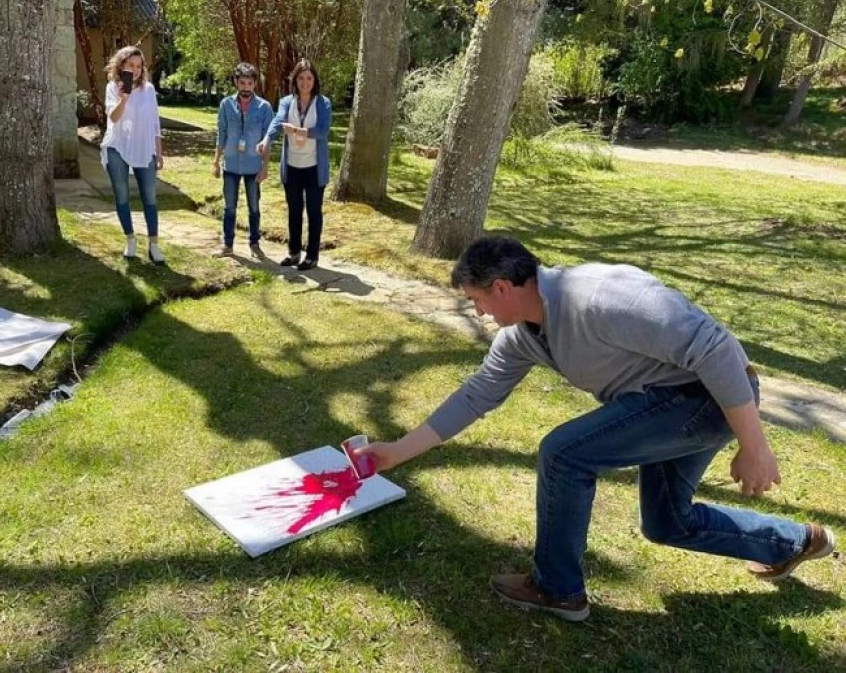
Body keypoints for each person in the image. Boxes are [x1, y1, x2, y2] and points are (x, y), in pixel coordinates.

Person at [353, 236, 836, 623]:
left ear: (501, 287)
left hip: (713, 396)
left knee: (564, 453)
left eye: (477, 300)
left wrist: (754, 446)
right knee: (668, 522)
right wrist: (396, 451)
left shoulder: (600, 298)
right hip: (669, 402)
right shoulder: (523, 335)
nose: (479, 312)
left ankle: (557, 589)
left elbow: (716, 349)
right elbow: (476, 395)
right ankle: (795, 541)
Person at [258, 60, 332, 271]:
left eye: (309, 78)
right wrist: (266, 140)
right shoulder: (286, 102)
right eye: (301, 78)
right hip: (292, 166)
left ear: (314, 80)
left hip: (314, 167)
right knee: (294, 211)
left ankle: (312, 256)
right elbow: (277, 122)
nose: (305, 82)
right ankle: (294, 252)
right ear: (295, 80)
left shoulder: (323, 103)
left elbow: (322, 131)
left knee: (314, 211)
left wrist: (298, 132)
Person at [99, 45, 165, 265]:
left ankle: (153, 244)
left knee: (150, 197)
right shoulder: (112, 87)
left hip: (144, 147)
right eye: (130, 65)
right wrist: (123, 98)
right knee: (122, 196)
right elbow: (114, 118)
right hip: (117, 146)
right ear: (121, 66)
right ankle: (130, 239)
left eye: (139, 66)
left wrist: (159, 152)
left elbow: (155, 123)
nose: (135, 70)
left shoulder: (149, 90)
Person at [211, 62, 273, 257]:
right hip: (230, 164)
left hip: (253, 166)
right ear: (236, 83)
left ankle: (254, 244)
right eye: (242, 83)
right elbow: (221, 133)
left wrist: (264, 167)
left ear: (255, 84)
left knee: (254, 207)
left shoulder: (264, 107)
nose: (246, 88)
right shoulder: (226, 105)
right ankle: (227, 245)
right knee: (229, 207)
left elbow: (268, 139)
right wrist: (216, 161)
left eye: (249, 83)